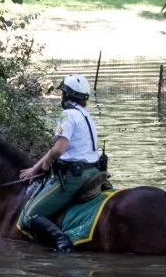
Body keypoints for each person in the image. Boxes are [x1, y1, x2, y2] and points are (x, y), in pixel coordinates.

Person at [15, 73, 105, 251]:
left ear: (67, 95)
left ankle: (63, 244)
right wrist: (35, 168)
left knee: (29, 215)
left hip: (74, 177)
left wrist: (46, 165)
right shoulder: (86, 115)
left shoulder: (67, 115)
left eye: (63, 92)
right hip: (93, 171)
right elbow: (56, 149)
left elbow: (57, 150)